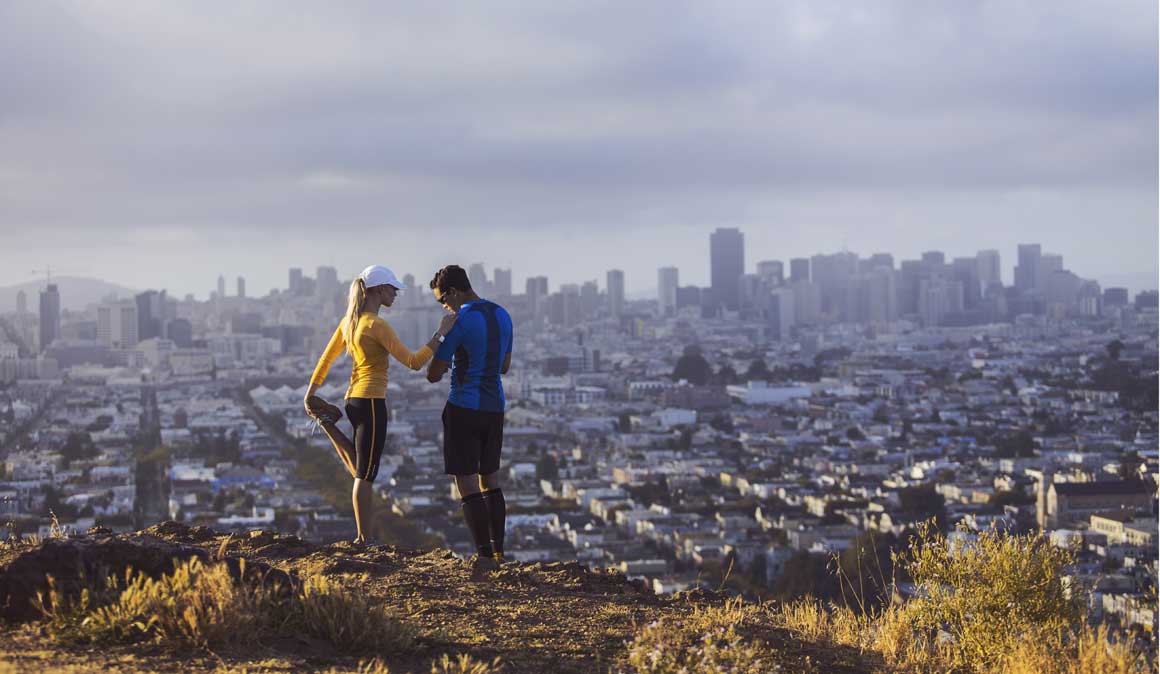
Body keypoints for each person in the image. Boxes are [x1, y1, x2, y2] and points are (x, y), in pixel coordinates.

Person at [305, 264, 456, 544]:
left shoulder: (350, 322)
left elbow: (325, 359)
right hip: (372, 401)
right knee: (365, 475)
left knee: (361, 467)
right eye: (392, 288)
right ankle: (363, 539)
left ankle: (327, 423)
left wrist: (310, 393)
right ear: (377, 290)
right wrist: (441, 333)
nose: (396, 293)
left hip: (352, 400)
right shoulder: (376, 325)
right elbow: (414, 362)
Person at [426, 265, 513, 575]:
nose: (444, 306)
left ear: (452, 292)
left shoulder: (460, 321)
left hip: (464, 406)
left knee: (465, 479)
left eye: (442, 300)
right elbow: (504, 365)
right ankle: (500, 552)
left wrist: (444, 334)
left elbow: (433, 374)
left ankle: (484, 556)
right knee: (490, 478)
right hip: (495, 407)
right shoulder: (503, 315)